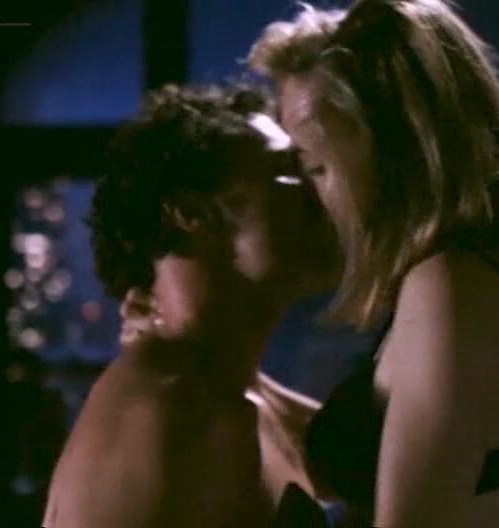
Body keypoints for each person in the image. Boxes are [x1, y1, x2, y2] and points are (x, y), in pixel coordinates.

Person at [249, 0, 499, 526]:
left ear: (396, 145)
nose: (313, 197)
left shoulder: (446, 289)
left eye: (319, 167)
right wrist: (230, 374)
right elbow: (408, 446)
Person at [41, 83, 338, 528]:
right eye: (286, 174)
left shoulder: (226, 385)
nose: (316, 192)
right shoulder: (163, 415)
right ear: (192, 213)